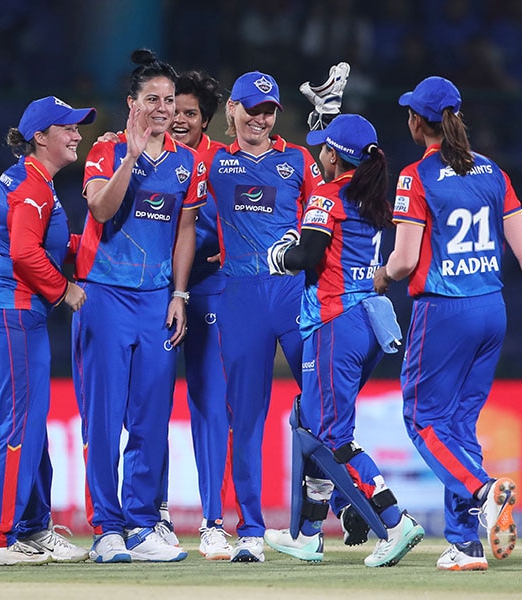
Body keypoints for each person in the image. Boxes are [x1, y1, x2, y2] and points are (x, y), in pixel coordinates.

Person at [374, 76, 522, 571]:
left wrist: (376, 280)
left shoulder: (414, 177)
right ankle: (464, 545)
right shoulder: (492, 172)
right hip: (493, 309)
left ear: (418, 122)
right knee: (459, 425)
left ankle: (483, 492)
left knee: (422, 419)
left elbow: (402, 262)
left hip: (444, 309)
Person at [263, 113, 424, 567]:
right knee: (313, 424)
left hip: (334, 323)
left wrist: (281, 254)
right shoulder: (371, 198)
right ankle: (310, 534)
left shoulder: (328, 194)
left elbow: (309, 255)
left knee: (332, 436)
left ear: (333, 156)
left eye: (323, 149)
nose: (318, 154)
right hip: (369, 321)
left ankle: (394, 521)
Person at [71, 49, 206, 563]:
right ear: (132, 103)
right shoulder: (105, 153)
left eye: (169, 100)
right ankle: (107, 528)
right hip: (104, 294)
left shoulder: (187, 161)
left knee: (151, 416)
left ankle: (143, 524)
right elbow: (101, 209)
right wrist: (131, 152)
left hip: (156, 301)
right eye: (152, 99)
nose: (163, 108)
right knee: (103, 419)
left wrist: (178, 294)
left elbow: (186, 231)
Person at [0, 96, 95, 566]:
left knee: (29, 422)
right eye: (69, 127)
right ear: (41, 137)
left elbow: (32, 241)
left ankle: (34, 528)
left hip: (8, 313)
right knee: (20, 424)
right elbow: (24, 251)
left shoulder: (29, 178)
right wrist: (65, 291)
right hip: (12, 314)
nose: (77, 134)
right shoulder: (33, 188)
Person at [204, 70, 323, 562]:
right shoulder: (212, 161)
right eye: (251, 109)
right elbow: (162, 145)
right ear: (232, 109)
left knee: (322, 408)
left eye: (269, 110)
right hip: (240, 297)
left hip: (294, 294)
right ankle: (250, 529)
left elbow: (332, 200)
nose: (260, 118)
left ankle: (316, 521)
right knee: (246, 418)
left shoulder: (299, 159)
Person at [166, 70, 233, 560]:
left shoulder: (223, 162)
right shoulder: (144, 154)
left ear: (206, 119)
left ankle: (213, 522)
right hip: (151, 291)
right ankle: (154, 516)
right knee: (145, 406)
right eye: (176, 111)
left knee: (210, 406)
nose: (181, 120)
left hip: (209, 293)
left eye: (191, 113)